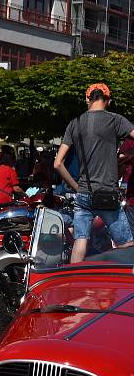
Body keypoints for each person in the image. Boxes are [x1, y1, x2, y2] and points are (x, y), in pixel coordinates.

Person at [54, 83, 134, 263]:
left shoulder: (74, 124)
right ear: (109, 100)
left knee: (80, 239)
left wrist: (76, 187)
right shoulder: (116, 120)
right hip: (107, 193)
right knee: (126, 244)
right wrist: (129, 154)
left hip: (83, 193)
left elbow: (58, 163)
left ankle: (72, 281)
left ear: (87, 99)